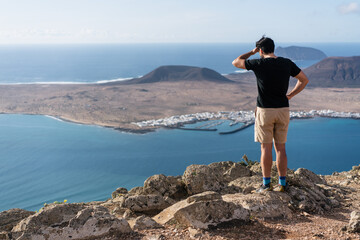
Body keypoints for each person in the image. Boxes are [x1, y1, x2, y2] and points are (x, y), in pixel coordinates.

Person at [232, 36, 309, 192]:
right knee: (280, 148)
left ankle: (266, 184)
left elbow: (236, 61)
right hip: (282, 109)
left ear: (260, 50)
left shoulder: (258, 63)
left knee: (265, 148)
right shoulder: (286, 63)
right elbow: (304, 80)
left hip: (265, 110)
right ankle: (282, 184)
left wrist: (252, 53)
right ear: (273, 48)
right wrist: (291, 95)